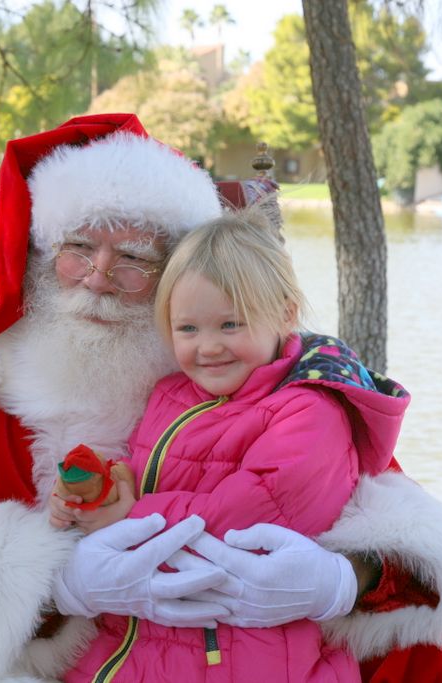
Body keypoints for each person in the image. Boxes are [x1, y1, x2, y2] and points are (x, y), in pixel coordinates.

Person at [0, 113, 442, 683]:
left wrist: (345, 582)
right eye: (79, 248)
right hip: (53, 653)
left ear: (175, 274)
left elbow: (367, 490)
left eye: (133, 257)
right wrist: (59, 585)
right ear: (48, 245)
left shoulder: (234, 354)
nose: (99, 276)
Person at [51, 208, 370, 681]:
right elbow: (151, 473)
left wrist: (127, 517)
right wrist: (101, 493)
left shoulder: (308, 409)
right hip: (136, 649)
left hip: (247, 655)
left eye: (230, 325)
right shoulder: (170, 393)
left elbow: (252, 515)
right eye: (188, 329)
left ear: (284, 312)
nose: (208, 347)